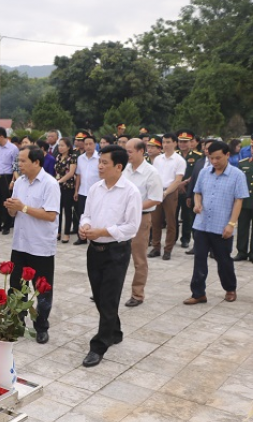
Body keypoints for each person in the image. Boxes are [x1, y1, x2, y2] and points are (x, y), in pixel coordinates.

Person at [79, 145, 142, 367]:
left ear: (118, 166)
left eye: (105, 162)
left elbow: (131, 227)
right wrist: (85, 226)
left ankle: (99, 345)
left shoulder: (131, 192)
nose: (100, 166)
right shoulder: (95, 188)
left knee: (108, 297)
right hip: (94, 250)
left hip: (116, 251)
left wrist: (103, 232)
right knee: (100, 295)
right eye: (99, 161)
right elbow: (86, 214)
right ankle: (114, 331)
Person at [4, 145, 60, 344]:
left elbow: (51, 215)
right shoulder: (19, 182)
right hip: (20, 243)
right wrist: (12, 209)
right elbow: (16, 212)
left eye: (23, 161)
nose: (19, 164)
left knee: (42, 288)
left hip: (40, 246)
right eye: (18, 161)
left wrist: (23, 207)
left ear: (36, 162)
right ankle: (17, 322)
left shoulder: (50, 184)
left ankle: (41, 326)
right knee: (16, 286)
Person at [184, 141, 247, 305]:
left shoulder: (237, 175)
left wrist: (231, 224)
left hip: (222, 226)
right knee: (199, 259)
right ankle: (198, 293)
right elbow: (197, 192)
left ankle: (230, 288)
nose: (214, 162)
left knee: (223, 260)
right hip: (202, 224)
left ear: (227, 155)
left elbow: (238, 201)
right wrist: (197, 203)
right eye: (211, 158)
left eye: (218, 158)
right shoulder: (205, 173)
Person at [123, 139, 163, 307]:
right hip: (122, 218)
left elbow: (155, 199)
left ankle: (137, 294)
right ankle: (109, 290)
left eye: (130, 151)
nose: (127, 154)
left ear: (141, 151)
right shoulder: (125, 169)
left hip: (141, 218)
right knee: (116, 256)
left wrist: (133, 207)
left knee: (139, 258)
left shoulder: (151, 172)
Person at [148, 133, 186, 261]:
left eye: (168, 142)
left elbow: (177, 180)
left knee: (170, 222)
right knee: (155, 221)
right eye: (164, 142)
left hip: (170, 192)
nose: (165, 144)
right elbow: (154, 176)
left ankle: (168, 249)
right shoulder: (158, 159)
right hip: (157, 192)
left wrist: (165, 193)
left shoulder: (179, 160)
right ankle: (156, 247)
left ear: (175, 143)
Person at [185, 139, 214, 256]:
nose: (207, 150)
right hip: (196, 197)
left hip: (212, 198)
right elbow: (193, 180)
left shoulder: (220, 164)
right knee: (195, 223)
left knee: (211, 223)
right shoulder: (199, 162)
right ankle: (197, 245)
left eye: (210, 148)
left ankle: (213, 248)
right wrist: (188, 196)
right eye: (206, 148)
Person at [175, 130, 203, 249]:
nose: (183, 144)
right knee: (173, 215)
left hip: (189, 190)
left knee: (187, 216)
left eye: (186, 142)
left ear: (191, 143)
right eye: (181, 141)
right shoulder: (174, 155)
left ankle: (185, 239)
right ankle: (172, 238)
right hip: (175, 189)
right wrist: (177, 184)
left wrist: (185, 182)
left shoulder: (198, 156)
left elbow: (198, 173)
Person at [73, 135, 100, 245]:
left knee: (96, 214)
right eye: (86, 144)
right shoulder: (80, 158)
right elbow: (78, 176)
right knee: (82, 214)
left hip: (96, 192)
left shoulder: (100, 158)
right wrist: (76, 191)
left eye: (90, 144)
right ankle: (82, 237)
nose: (88, 146)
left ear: (95, 145)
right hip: (83, 191)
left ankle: (95, 236)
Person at [55, 137, 77, 243]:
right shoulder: (58, 157)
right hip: (57, 187)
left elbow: (71, 173)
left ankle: (67, 233)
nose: (60, 147)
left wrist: (59, 181)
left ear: (68, 147)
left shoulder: (72, 157)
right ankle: (58, 232)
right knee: (57, 210)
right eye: (59, 145)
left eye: (62, 145)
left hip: (68, 187)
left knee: (67, 211)